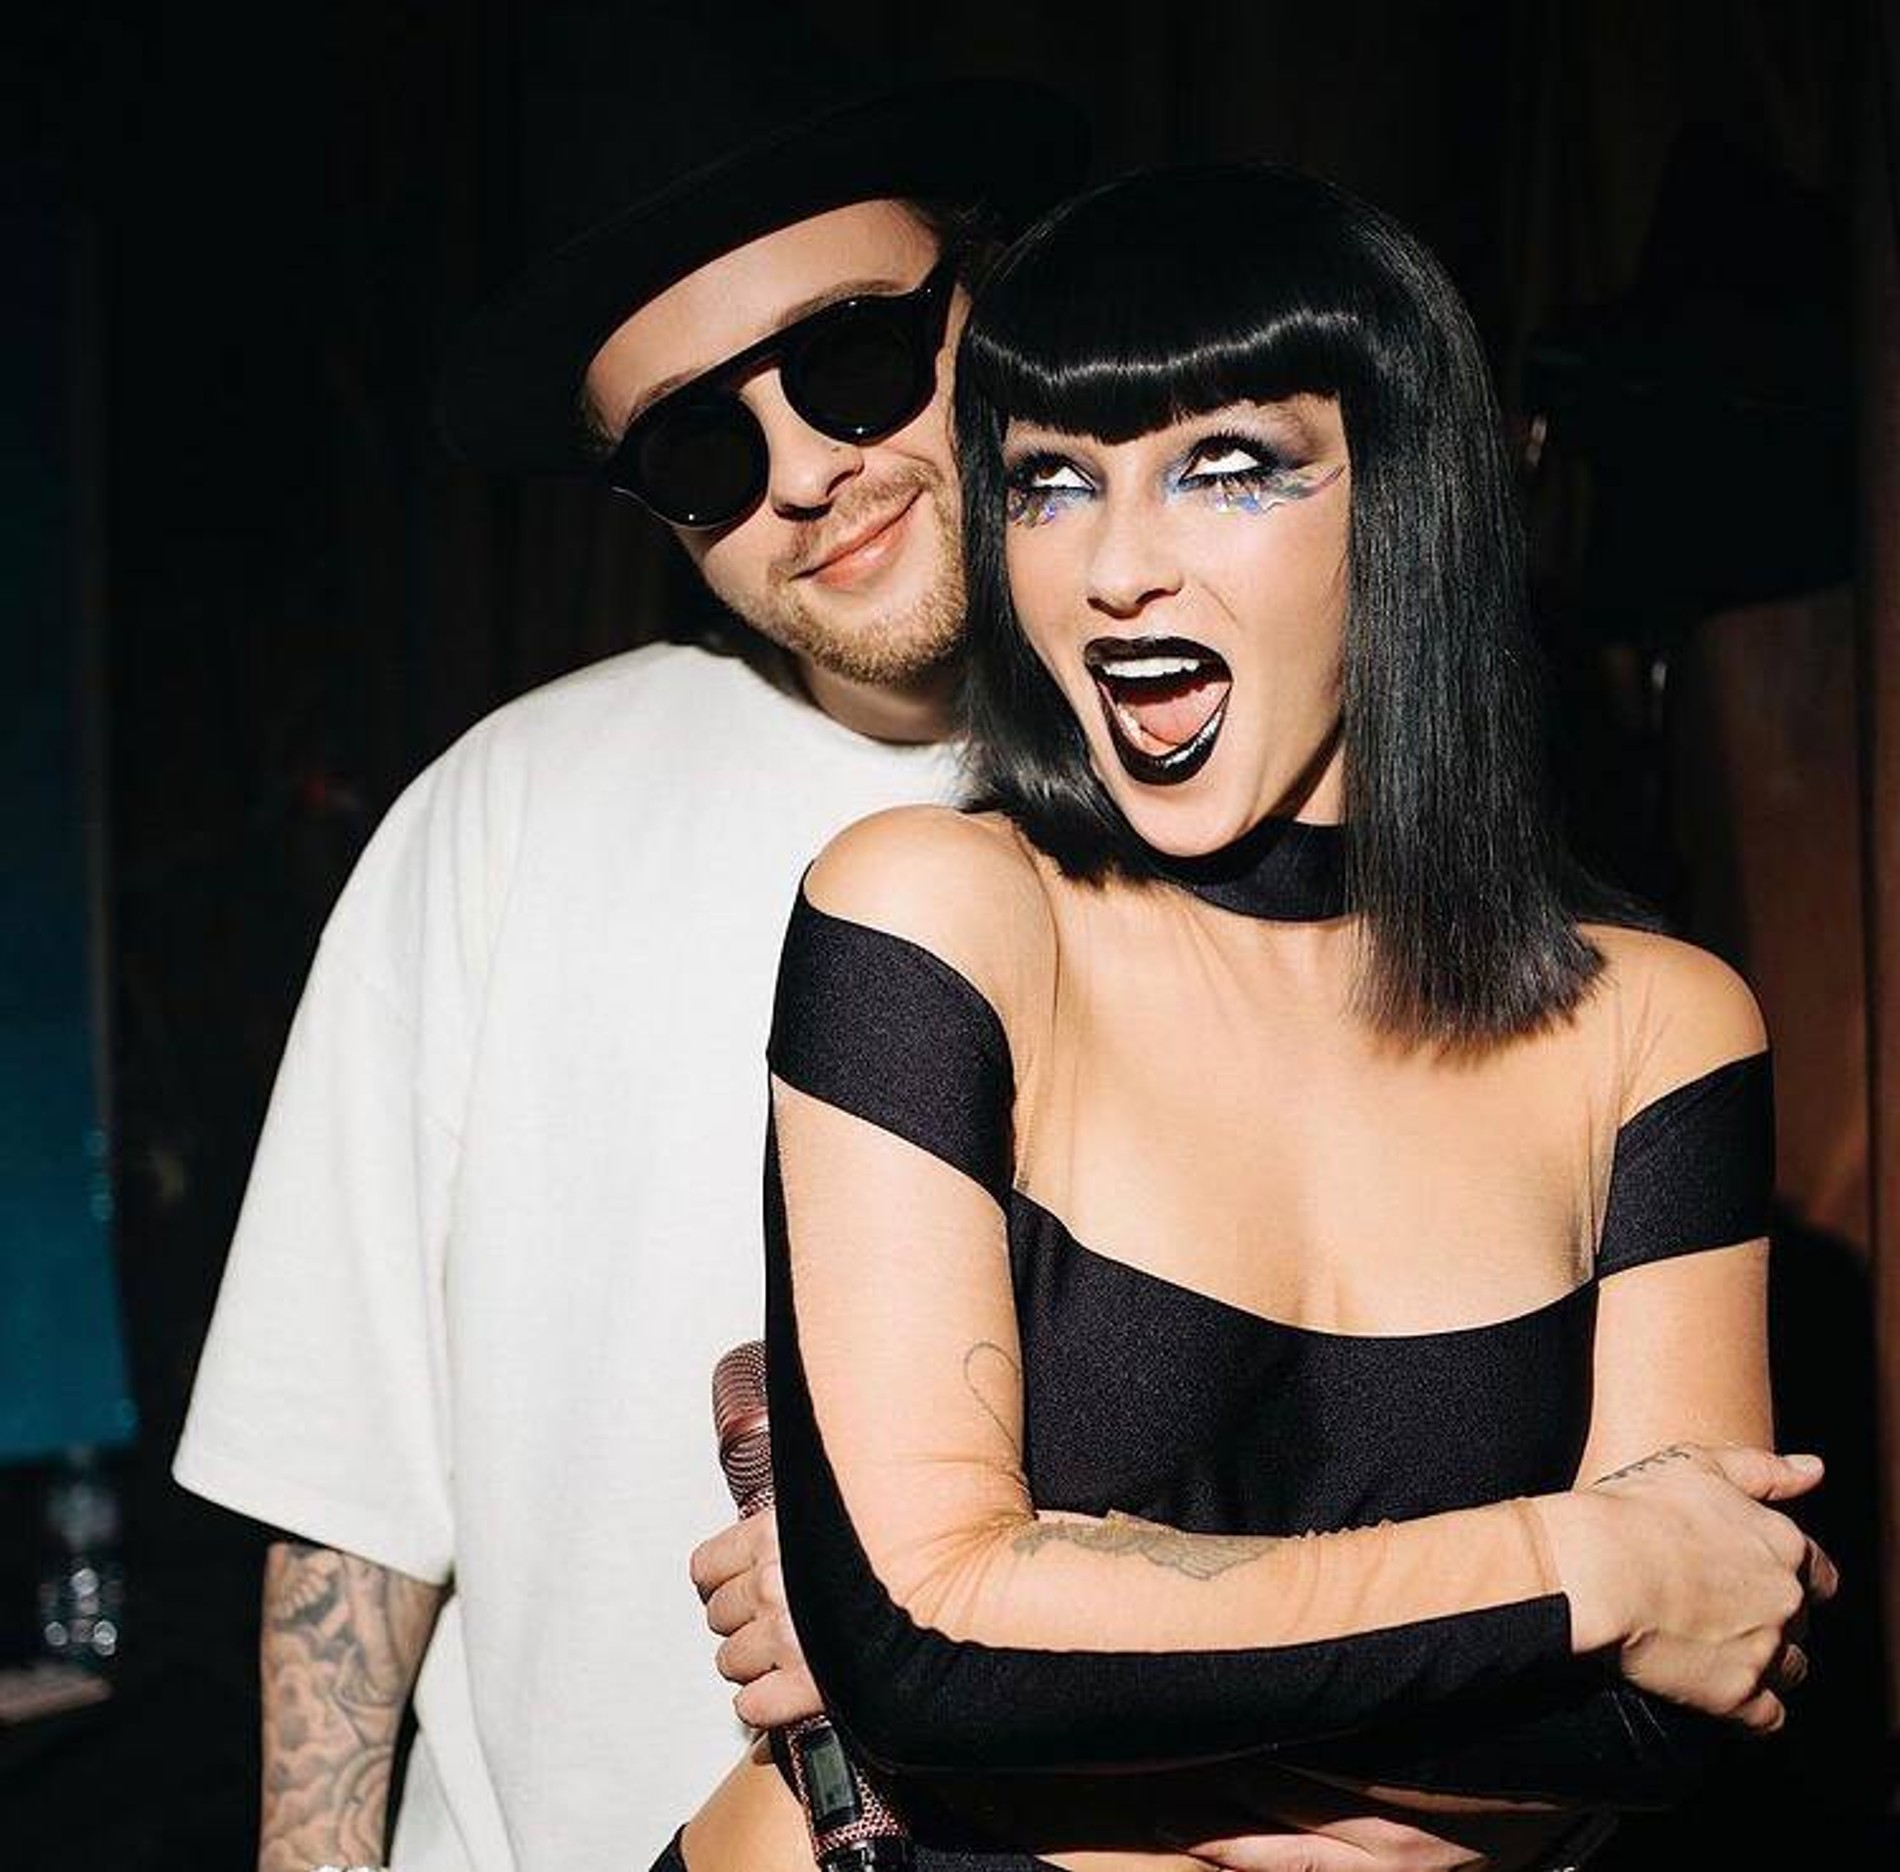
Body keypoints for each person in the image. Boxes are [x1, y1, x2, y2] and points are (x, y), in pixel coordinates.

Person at [677, 163, 1837, 1872]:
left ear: (1405, 501)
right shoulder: (937, 914)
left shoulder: (1657, 1030)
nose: (1115, 568)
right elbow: (925, 1660)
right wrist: (1587, 1561)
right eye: (1051, 483)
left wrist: (1085, 1690)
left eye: (1224, 469)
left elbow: (1680, 1703)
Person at [169, 7, 1090, 1868]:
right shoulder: (499, 816)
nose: (805, 472)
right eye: (696, 448)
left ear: (983, 307)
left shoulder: (1220, 802)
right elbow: (349, 1514)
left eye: (850, 361)